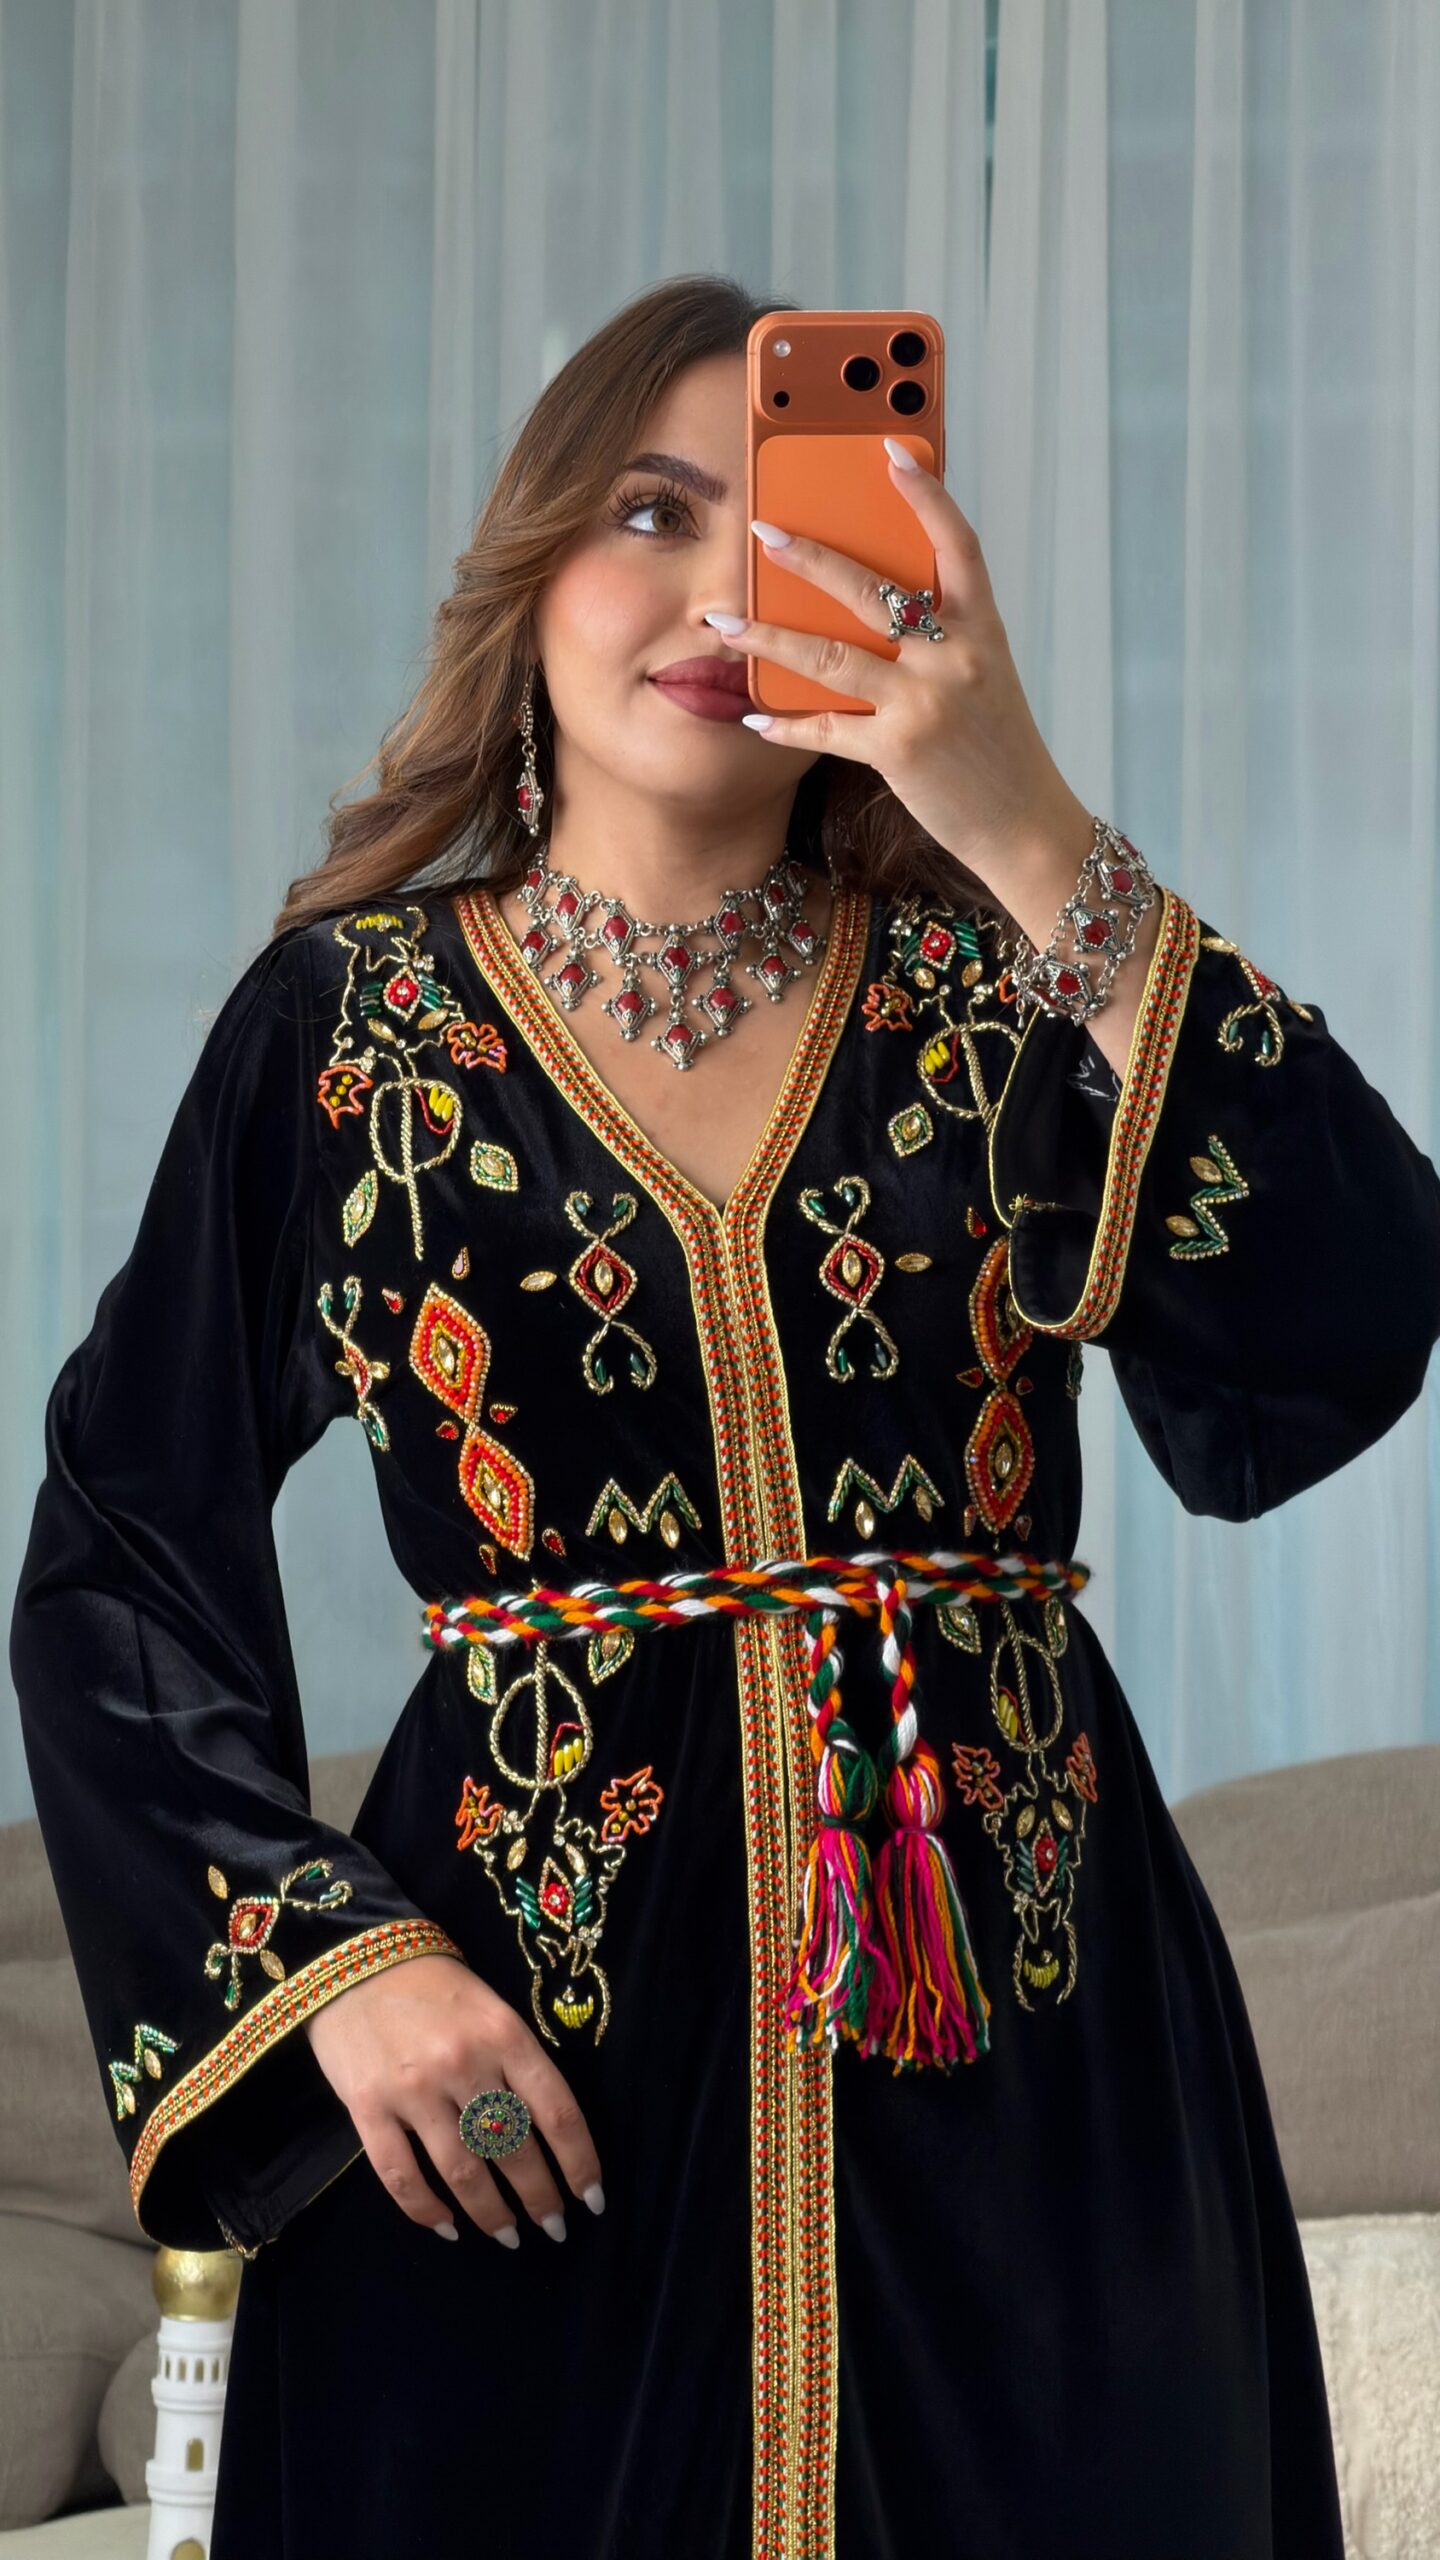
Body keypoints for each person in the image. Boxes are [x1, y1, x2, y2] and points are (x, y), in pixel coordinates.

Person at [10, 272, 1437, 2560]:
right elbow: (121, 1540)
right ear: (532, 556)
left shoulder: (1002, 998)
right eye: (651, 512)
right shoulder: (346, 1029)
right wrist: (336, 1972)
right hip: (518, 2075)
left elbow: (1341, 1322)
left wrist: (1030, 825)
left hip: (1024, 2047)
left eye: (790, 534)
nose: (710, 594)